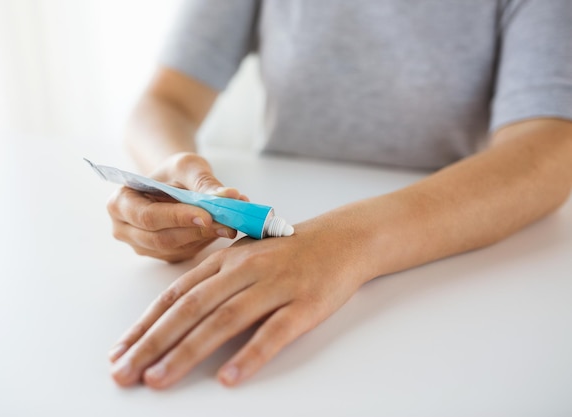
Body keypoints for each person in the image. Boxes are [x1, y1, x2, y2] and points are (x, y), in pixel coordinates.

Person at [105, 0, 572, 389]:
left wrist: (346, 244)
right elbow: (165, 101)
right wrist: (169, 176)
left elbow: (551, 145)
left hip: (459, 264)